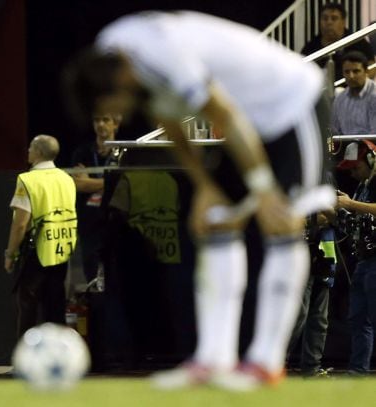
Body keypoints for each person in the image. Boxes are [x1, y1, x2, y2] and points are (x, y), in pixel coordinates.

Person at [64, 11, 331, 390]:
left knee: (282, 221)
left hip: (291, 104)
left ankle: (266, 363)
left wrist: (263, 189)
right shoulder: (114, 50)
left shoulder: (164, 57)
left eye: (113, 104)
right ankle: (214, 360)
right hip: (249, 119)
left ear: (118, 79)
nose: (116, 114)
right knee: (216, 219)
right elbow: (169, 120)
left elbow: (225, 114)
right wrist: (205, 186)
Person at [4, 134, 77, 338]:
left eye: (31, 147)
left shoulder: (28, 180)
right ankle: (62, 357)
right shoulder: (66, 179)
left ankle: (25, 358)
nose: (28, 151)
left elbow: (20, 224)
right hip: (62, 249)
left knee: (27, 306)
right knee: (56, 306)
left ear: (38, 152)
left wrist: (10, 254)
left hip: (36, 251)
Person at [334, 141, 376, 375]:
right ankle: (358, 372)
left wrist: (351, 203)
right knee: (358, 319)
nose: (352, 173)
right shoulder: (363, 186)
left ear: (371, 160)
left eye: (355, 167)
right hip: (363, 259)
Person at [71, 111, 120, 282]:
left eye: (105, 120)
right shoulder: (82, 152)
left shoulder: (124, 152)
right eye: (96, 120)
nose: (100, 124)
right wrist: (112, 182)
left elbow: (126, 184)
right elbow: (78, 184)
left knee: (116, 271)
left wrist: (90, 183)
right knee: (90, 270)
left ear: (116, 124)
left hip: (116, 219)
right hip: (89, 221)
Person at [287, 210, 336, 377]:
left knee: (319, 319)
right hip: (299, 255)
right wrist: (312, 220)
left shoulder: (330, 183)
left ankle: (312, 368)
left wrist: (330, 216)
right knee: (297, 314)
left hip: (325, 257)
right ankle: (275, 361)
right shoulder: (295, 184)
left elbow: (339, 217)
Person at [301, 2, 374, 80]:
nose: (329, 22)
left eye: (334, 18)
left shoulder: (357, 41)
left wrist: (357, 85)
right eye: (325, 18)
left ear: (343, 22)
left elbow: (372, 66)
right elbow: (300, 69)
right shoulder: (311, 46)